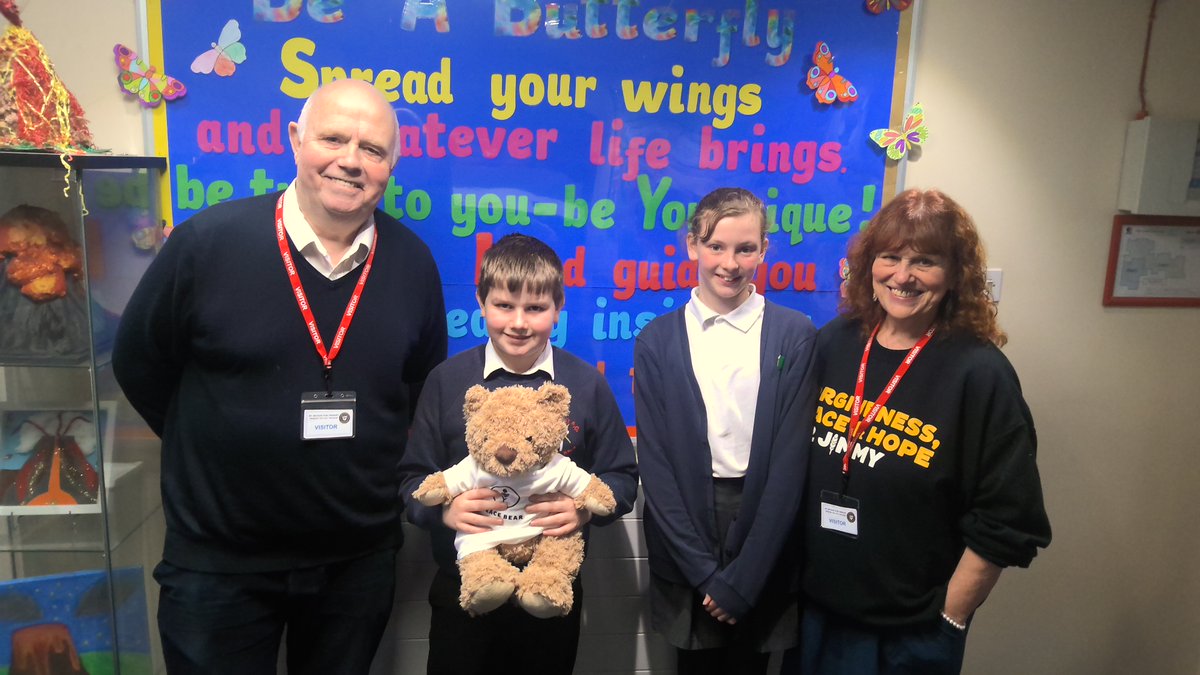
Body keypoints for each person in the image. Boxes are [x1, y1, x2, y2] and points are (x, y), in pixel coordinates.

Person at [112, 79, 448, 675]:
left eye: (372, 149)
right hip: (219, 566)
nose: (351, 160)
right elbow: (139, 364)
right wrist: (213, 448)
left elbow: (417, 390)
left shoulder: (413, 264)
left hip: (356, 562)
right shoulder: (207, 244)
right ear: (296, 140)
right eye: (333, 138)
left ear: (392, 165)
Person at [788, 188, 1051, 674]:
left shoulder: (979, 372)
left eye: (924, 261)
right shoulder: (836, 343)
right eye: (890, 257)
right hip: (819, 617)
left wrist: (950, 616)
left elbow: (1008, 518)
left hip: (912, 633)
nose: (902, 276)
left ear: (955, 275)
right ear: (870, 263)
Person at [398, 233, 638, 675]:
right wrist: (444, 514)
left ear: (558, 307)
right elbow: (412, 481)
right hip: (465, 588)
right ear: (481, 302)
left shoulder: (584, 386)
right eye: (504, 306)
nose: (519, 323)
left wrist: (584, 512)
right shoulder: (447, 382)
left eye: (535, 308)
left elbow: (622, 479)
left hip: (548, 593)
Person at [634, 187, 819, 675]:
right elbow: (656, 468)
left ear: (764, 250)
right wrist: (703, 573)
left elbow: (789, 465)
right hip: (688, 527)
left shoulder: (794, 334)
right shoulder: (657, 340)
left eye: (745, 249)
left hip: (765, 525)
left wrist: (748, 575)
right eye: (715, 246)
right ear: (692, 245)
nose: (729, 263)